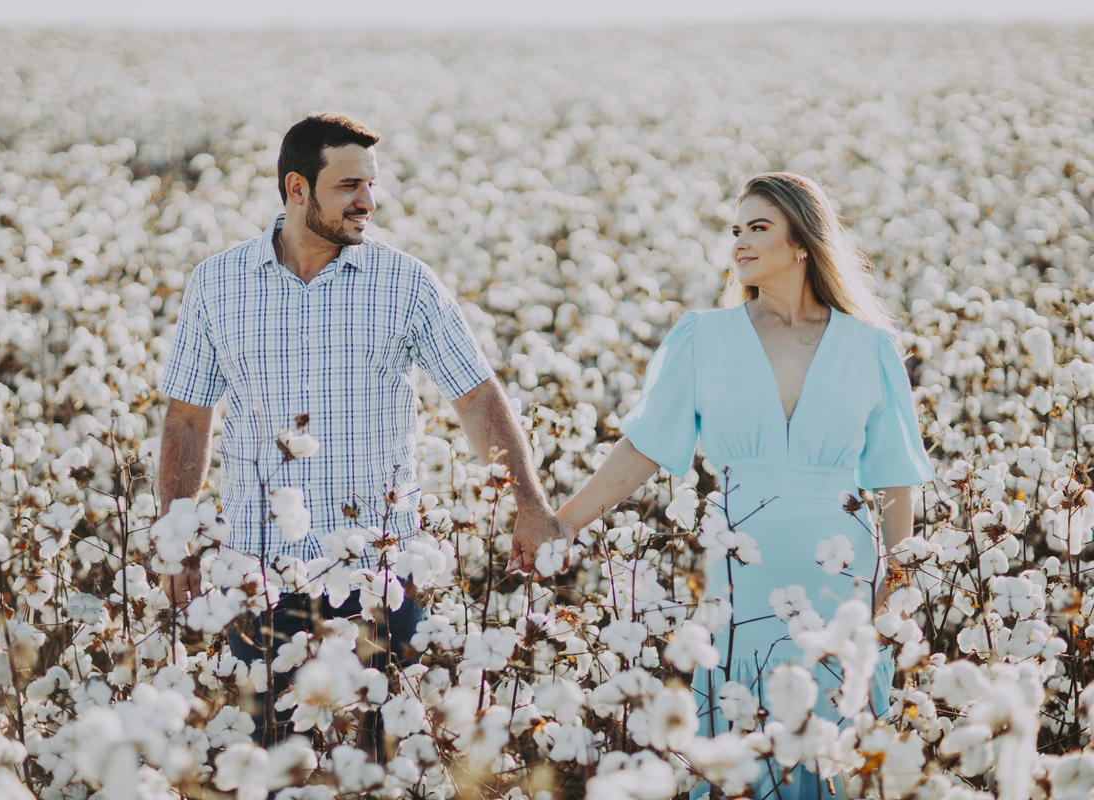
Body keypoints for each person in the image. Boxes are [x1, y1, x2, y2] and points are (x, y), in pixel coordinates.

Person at [155, 112, 561, 746]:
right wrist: (175, 536)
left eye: (371, 185)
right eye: (349, 186)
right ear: (297, 189)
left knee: (386, 762)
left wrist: (529, 504)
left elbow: (478, 398)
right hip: (260, 575)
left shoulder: (405, 282)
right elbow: (187, 418)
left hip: (380, 574)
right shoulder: (218, 284)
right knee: (263, 763)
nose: (368, 202)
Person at [549, 172, 934, 798]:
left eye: (759, 228)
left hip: (842, 574)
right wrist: (564, 522)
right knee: (740, 741)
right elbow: (646, 447)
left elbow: (893, 477)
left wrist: (896, 581)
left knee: (837, 748)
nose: (741, 243)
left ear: (803, 242)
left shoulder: (870, 348)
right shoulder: (705, 336)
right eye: (736, 230)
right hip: (740, 572)